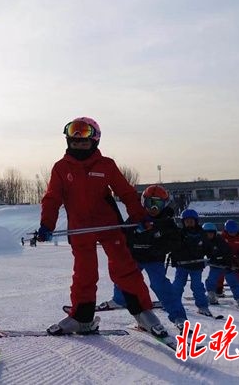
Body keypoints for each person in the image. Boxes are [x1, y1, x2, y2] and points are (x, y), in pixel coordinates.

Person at [36, 117, 167, 337]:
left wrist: (139, 215)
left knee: (124, 269)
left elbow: (125, 192)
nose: (79, 145)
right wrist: (46, 225)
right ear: (68, 141)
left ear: (94, 141)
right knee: (84, 273)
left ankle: (143, 313)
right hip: (80, 228)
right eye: (75, 141)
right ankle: (82, 318)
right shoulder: (61, 168)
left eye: (84, 142)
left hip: (108, 225)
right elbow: (52, 199)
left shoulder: (106, 165)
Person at [107, 185, 187, 332]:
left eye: (158, 204)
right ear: (144, 202)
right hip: (135, 257)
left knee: (160, 285)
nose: (154, 208)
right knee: (124, 277)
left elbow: (176, 241)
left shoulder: (167, 222)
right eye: (151, 203)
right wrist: (135, 230)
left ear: (164, 204)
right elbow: (124, 234)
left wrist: (160, 246)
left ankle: (178, 316)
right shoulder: (136, 217)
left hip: (154, 259)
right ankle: (119, 299)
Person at [170, 209, 212, 316]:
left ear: (196, 221)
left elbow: (208, 248)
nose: (189, 223)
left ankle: (202, 306)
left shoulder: (202, 234)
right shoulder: (180, 233)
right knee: (178, 285)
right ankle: (174, 304)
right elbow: (174, 249)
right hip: (182, 265)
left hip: (196, 266)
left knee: (197, 286)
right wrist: (175, 261)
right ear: (183, 222)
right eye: (187, 221)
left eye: (191, 221)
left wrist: (212, 256)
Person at [201, 222, 239, 308]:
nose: (209, 235)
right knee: (211, 281)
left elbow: (227, 252)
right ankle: (212, 296)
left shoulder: (220, 240)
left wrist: (228, 263)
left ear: (215, 233)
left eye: (211, 233)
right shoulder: (203, 242)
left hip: (227, 265)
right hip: (215, 266)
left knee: (233, 281)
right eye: (207, 233)